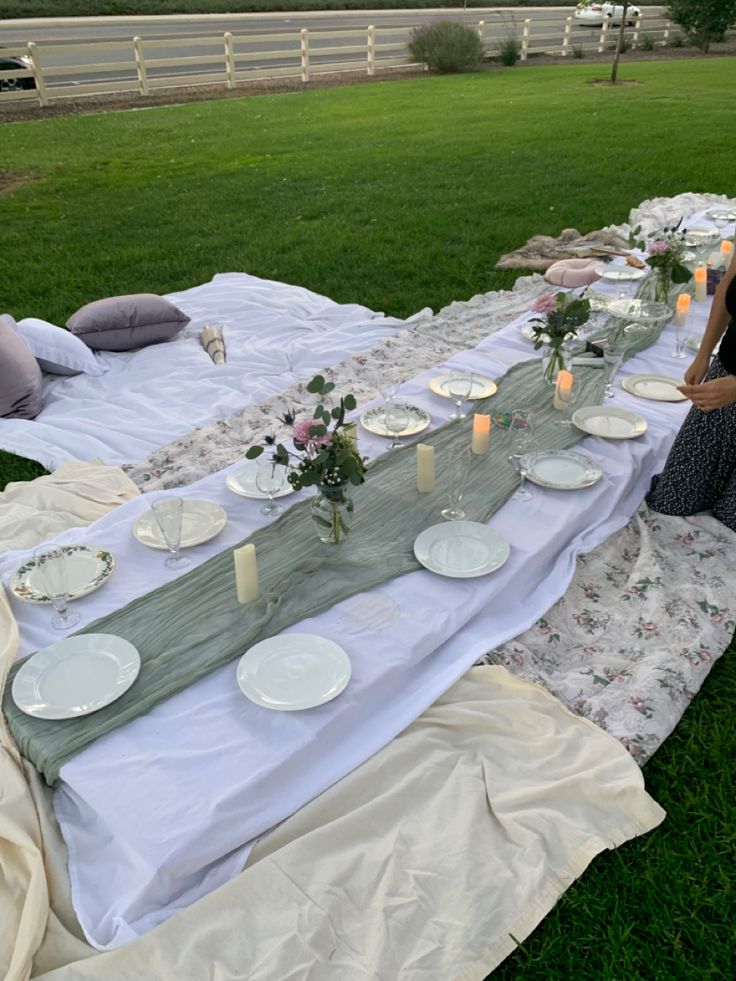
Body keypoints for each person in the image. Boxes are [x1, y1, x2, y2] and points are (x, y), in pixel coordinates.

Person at [645, 242, 736, 530]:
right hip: (725, 379)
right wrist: (704, 354)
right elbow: (727, 287)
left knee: (731, 517)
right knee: (673, 500)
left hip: (731, 388)